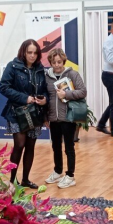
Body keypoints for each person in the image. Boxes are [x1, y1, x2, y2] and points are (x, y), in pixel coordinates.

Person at [0, 39, 48, 188]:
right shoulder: (13, 66)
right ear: (23, 52)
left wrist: (44, 99)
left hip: (35, 113)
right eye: (29, 52)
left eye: (35, 53)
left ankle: (25, 179)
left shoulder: (40, 69)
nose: (32, 55)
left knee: (31, 146)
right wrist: (24, 98)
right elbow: (4, 87)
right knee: (19, 145)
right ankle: (12, 181)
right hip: (17, 112)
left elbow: (45, 90)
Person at [44, 47, 87, 189]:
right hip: (54, 118)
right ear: (50, 62)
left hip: (68, 117)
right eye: (54, 62)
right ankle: (58, 171)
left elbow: (83, 91)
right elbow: (47, 98)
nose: (57, 65)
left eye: (59, 62)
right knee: (55, 146)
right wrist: (46, 117)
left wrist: (66, 95)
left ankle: (70, 175)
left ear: (64, 61)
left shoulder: (72, 74)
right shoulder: (47, 77)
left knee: (69, 147)